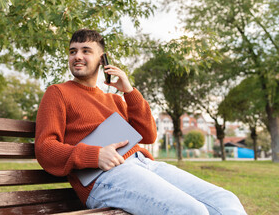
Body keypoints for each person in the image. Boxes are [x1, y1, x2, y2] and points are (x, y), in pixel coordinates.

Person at [35, 29, 247, 215]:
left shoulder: (115, 99)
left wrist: (129, 91)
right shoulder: (58, 93)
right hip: (102, 178)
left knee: (226, 202)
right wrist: (94, 155)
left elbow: (148, 134)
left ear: (102, 59)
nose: (77, 56)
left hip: (143, 164)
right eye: (73, 51)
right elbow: (45, 148)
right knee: (192, 211)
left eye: (85, 51)